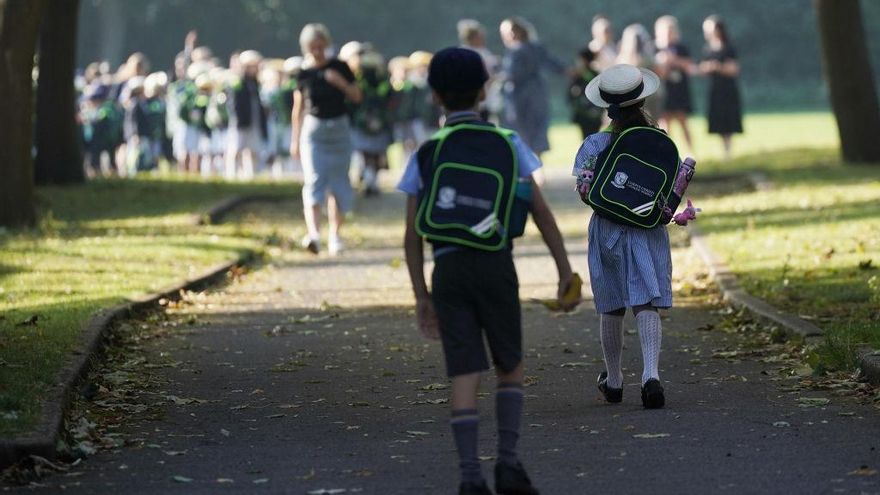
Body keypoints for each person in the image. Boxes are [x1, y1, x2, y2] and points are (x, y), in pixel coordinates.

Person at [399, 47, 578, 495]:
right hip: (496, 264)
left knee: (464, 370)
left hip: (448, 270)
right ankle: (508, 465)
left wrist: (421, 295)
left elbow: (412, 234)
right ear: (484, 90)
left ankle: (469, 476)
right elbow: (540, 212)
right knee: (509, 365)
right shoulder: (508, 142)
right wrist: (564, 270)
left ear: (435, 95)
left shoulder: (427, 152)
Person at [573, 64, 672, 410]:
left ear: (606, 106)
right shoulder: (660, 141)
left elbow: (586, 192)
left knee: (612, 304)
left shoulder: (594, 144)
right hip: (646, 228)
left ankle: (614, 380)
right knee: (646, 300)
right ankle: (651, 376)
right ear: (641, 99)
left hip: (608, 230)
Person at [291, 23, 363, 256]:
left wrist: (340, 83)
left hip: (339, 129)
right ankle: (313, 234)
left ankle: (335, 235)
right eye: (313, 47)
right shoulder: (303, 73)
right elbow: (298, 108)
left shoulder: (340, 67)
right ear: (306, 48)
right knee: (314, 180)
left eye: (321, 47)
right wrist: (295, 140)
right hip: (314, 132)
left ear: (327, 45)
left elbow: (357, 96)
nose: (317, 52)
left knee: (338, 183)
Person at [499, 17, 567, 156]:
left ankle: (530, 165)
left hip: (521, 97)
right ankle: (536, 163)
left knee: (523, 132)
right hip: (536, 94)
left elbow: (512, 74)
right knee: (536, 131)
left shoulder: (517, 50)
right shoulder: (535, 48)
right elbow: (553, 64)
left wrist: (498, 77)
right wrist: (567, 71)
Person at [699, 15, 743, 161]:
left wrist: (717, 67)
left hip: (728, 90)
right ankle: (724, 151)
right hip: (715, 90)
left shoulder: (729, 48)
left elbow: (734, 69)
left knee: (728, 120)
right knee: (718, 121)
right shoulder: (707, 49)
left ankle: (728, 152)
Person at [351, 49, 394, 197]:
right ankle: (372, 182)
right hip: (377, 121)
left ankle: (370, 181)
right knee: (374, 153)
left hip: (366, 121)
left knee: (368, 153)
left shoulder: (360, 81)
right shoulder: (383, 81)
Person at [655, 15, 695, 153]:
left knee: (683, 121)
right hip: (664, 91)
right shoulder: (655, 48)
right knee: (665, 124)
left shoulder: (681, 48)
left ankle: (691, 153)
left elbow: (689, 66)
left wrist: (674, 60)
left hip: (679, 90)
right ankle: (666, 153)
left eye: (671, 31)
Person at [226, 50, 268, 180]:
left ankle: (251, 175)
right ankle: (231, 174)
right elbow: (233, 104)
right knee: (236, 149)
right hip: (240, 123)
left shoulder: (255, 83)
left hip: (253, 121)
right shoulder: (238, 82)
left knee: (253, 150)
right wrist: (239, 118)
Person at [457, 19, 501, 121]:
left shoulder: (484, 52)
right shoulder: (465, 53)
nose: (483, 39)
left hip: (485, 100)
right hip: (472, 100)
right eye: (479, 36)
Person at [616, 23, 663, 120]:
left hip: (632, 98)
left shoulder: (622, 60)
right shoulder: (649, 57)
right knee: (653, 123)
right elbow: (659, 73)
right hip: (651, 95)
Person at [568, 48, 603, 139]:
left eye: (579, 60)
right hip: (585, 115)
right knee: (589, 139)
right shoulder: (589, 74)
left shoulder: (587, 75)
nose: (577, 63)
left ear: (584, 60)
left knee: (590, 139)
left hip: (591, 115)